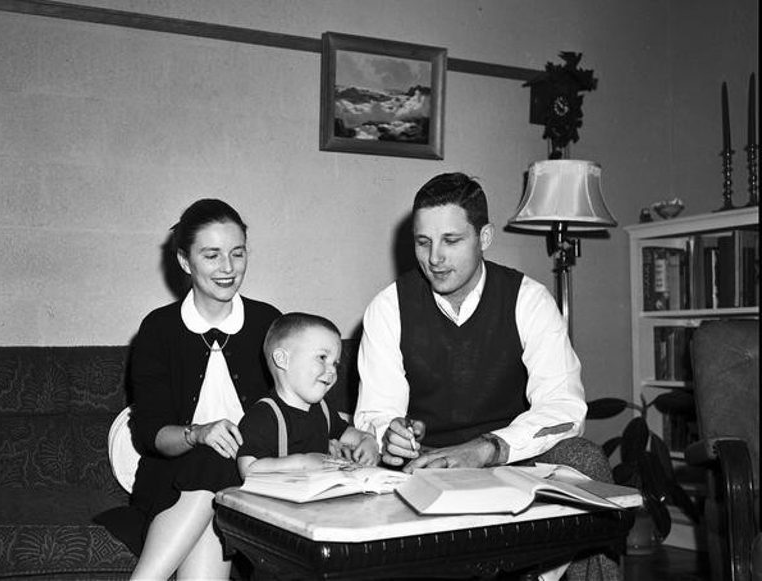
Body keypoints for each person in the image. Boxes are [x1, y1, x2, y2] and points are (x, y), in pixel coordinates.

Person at [354, 172, 619, 581]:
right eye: (423, 242)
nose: (435, 258)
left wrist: (487, 448)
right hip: (425, 471)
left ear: (485, 237)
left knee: (584, 459)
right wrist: (390, 433)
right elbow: (376, 411)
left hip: (512, 459)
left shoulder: (529, 300)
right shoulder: (388, 308)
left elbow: (565, 409)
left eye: (451, 241)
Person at [102, 199, 281, 580]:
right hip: (171, 482)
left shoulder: (269, 322)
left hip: (250, 483)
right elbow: (152, 437)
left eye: (237, 253)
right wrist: (199, 433)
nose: (228, 268)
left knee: (223, 463)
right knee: (213, 458)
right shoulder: (158, 329)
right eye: (212, 255)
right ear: (186, 261)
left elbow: (298, 405)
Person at [237, 312, 379, 476]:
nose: (332, 370)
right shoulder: (263, 416)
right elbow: (248, 469)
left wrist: (368, 440)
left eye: (335, 364)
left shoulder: (323, 409)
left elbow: (347, 433)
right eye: (322, 357)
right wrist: (303, 462)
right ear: (283, 359)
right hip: (275, 500)